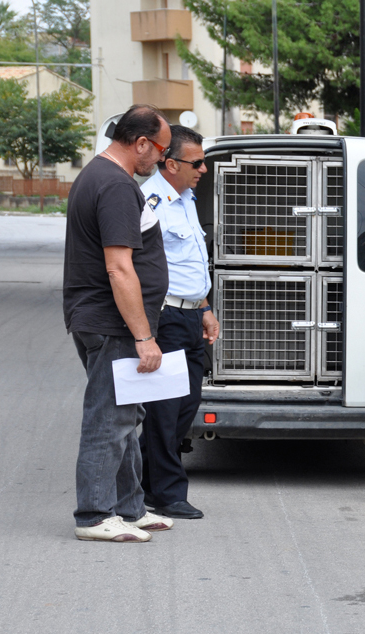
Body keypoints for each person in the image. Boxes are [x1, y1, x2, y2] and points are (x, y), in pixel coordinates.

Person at [63, 104, 175, 542]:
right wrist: (143, 335)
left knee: (128, 414)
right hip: (113, 324)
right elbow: (119, 268)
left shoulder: (103, 177)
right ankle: (93, 515)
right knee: (108, 419)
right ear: (141, 143)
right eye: (162, 150)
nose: (162, 161)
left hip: (108, 321)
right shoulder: (112, 185)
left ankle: (129, 508)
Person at [137, 125, 219, 520]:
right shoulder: (150, 202)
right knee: (164, 411)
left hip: (190, 314)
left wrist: (204, 307)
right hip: (165, 316)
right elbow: (136, 265)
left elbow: (189, 261)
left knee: (185, 407)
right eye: (197, 162)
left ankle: (140, 479)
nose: (203, 169)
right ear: (170, 163)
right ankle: (166, 493)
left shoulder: (185, 198)